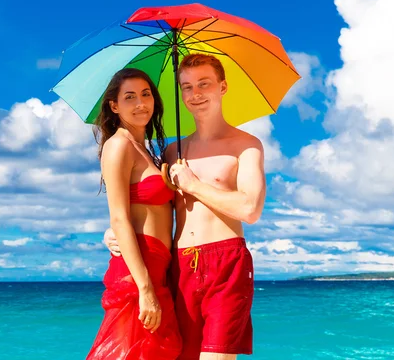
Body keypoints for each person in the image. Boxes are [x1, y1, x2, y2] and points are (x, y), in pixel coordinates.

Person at [104, 54, 266, 360]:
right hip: (177, 267)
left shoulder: (246, 144)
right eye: (187, 87)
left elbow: (250, 209)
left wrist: (193, 185)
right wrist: (113, 231)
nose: (196, 94)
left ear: (223, 87)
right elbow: (146, 202)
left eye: (204, 84)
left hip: (226, 261)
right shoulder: (170, 151)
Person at [86, 68, 182, 360]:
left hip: (158, 266)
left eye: (146, 94)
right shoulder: (118, 146)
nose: (141, 103)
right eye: (130, 97)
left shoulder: (148, 151)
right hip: (138, 270)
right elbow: (118, 218)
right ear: (114, 106)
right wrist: (145, 288)